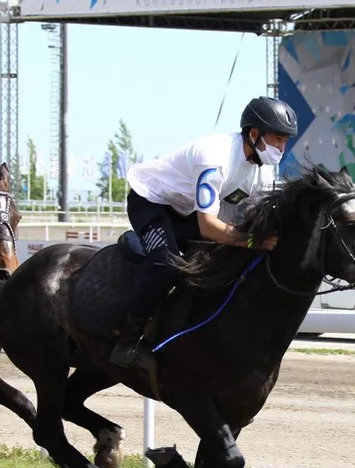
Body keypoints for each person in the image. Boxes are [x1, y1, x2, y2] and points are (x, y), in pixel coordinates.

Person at [109, 95, 298, 372]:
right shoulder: (215, 157)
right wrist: (251, 241)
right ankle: (126, 343)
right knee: (165, 264)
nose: (282, 148)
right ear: (254, 134)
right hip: (150, 201)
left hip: (185, 211)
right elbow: (209, 227)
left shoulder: (264, 172)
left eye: (285, 141)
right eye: (278, 139)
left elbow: (246, 222)